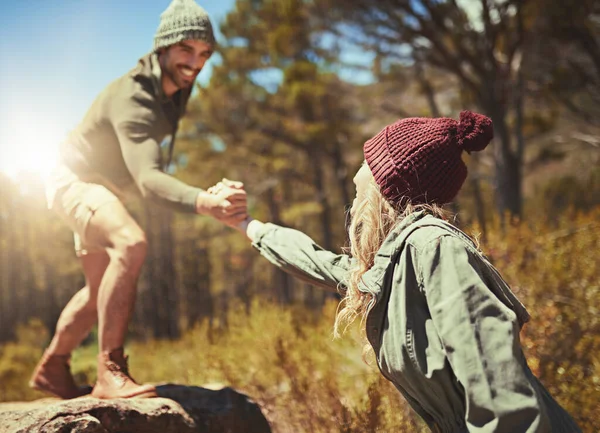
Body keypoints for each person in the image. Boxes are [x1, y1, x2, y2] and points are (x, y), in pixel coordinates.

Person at [229, 111, 581, 432]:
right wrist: (249, 226)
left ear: (388, 188)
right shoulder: (394, 261)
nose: (354, 185)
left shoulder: (435, 248)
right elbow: (322, 264)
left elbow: (502, 397)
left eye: (364, 173)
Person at [30, 0, 246, 400]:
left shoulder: (173, 87)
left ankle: (52, 366)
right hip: (73, 180)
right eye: (186, 50)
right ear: (162, 47)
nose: (196, 63)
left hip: (100, 188)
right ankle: (109, 371)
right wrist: (204, 200)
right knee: (131, 243)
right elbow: (148, 178)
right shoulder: (133, 96)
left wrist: (202, 192)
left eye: (204, 54)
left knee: (98, 292)